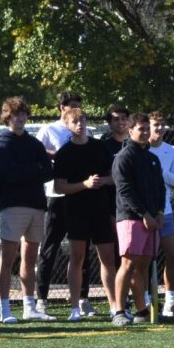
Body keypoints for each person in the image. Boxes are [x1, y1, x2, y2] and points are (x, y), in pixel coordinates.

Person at [0, 96, 55, 324]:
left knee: (30, 258)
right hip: (12, 206)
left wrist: (28, 171)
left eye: (23, 114)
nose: (20, 118)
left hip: (36, 205)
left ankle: (30, 306)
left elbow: (48, 172)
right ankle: (5, 309)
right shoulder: (3, 143)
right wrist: (33, 170)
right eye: (15, 114)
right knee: (7, 257)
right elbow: (7, 175)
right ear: (7, 117)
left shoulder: (34, 144)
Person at [52, 108, 120, 322]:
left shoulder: (100, 148)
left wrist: (102, 182)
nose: (79, 124)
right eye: (74, 121)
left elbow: (113, 177)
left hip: (100, 209)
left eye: (82, 120)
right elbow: (59, 187)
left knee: (108, 258)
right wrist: (84, 185)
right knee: (77, 257)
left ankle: (114, 306)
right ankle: (75, 308)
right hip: (76, 211)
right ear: (67, 124)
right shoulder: (64, 153)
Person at [112, 113, 165, 326]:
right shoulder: (124, 157)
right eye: (140, 129)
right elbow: (125, 191)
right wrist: (144, 215)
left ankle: (142, 310)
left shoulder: (152, 158)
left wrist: (158, 214)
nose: (144, 133)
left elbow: (161, 189)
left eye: (146, 129)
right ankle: (118, 311)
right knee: (127, 263)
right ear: (130, 131)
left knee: (142, 266)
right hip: (130, 219)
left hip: (152, 220)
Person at [35, 91, 82, 314]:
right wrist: (55, 154)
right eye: (70, 105)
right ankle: (41, 298)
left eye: (77, 106)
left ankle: (82, 298)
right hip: (56, 195)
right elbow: (35, 151)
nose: (74, 110)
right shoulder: (49, 129)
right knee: (49, 247)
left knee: (80, 248)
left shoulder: (81, 128)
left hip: (79, 194)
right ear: (61, 107)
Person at [148, 111, 174, 318]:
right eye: (156, 124)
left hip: (167, 212)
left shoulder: (170, 150)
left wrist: (160, 173)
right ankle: (145, 301)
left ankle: (170, 301)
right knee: (144, 259)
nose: (160, 128)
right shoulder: (140, 149)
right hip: (145, 213)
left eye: (162, 124)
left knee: (172, 255)